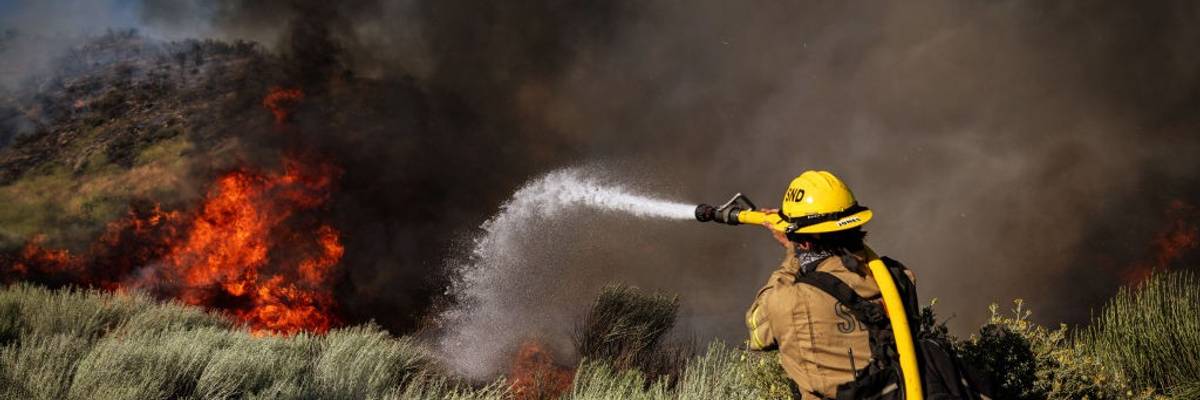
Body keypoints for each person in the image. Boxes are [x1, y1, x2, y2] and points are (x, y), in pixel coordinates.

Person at [745, 170, 913, 399]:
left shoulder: (792, 301)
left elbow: (757, 331)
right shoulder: (897, 278)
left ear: (805, 243)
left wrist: (792, 256)